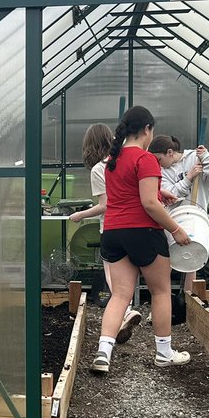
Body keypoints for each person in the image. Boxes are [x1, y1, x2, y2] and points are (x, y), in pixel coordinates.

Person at [90, 105, 191, 373]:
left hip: (113, 232)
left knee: (120, 295)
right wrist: (176, 229)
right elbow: (148, 204)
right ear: (147, 129)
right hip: (143, 232)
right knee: (160, 291)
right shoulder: (145, 159)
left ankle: (103, 352)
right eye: (151, 131)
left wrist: (161, 194)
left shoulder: (112, 160)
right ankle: (164, 353)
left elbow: (127, 196)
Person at [69, 123, 141, 345]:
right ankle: (121, 320)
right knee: (130, 277)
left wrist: (81, 215)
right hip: (135, 225)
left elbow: (106, 204)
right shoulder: (125, 161)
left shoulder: (99, 169)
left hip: (111, 228)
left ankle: (126, 313)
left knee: (114, 279)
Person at [162, 142, 209, 293]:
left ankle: (188, 300)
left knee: (193, 259)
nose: (158, 163)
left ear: (170, 152)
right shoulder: (163, 170)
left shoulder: (196, 158)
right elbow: (169, 193)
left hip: (196, 218)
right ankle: (165, 297)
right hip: (172, 219)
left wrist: (206, 158)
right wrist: (189, 178)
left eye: (159, 158)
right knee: (168, 259)